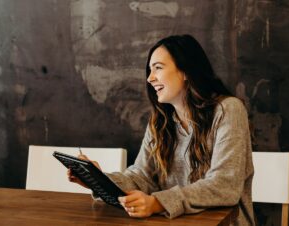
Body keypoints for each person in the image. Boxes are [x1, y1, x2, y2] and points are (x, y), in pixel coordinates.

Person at [68, 34, 255, 226]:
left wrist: (158, 203)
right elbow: (141, 177)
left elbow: (224, 185)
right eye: (150, 70)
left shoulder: (228, 110)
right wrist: (99, 181)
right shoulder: (160, 122)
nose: (149, 78)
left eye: (158, 67)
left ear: (186, 71)